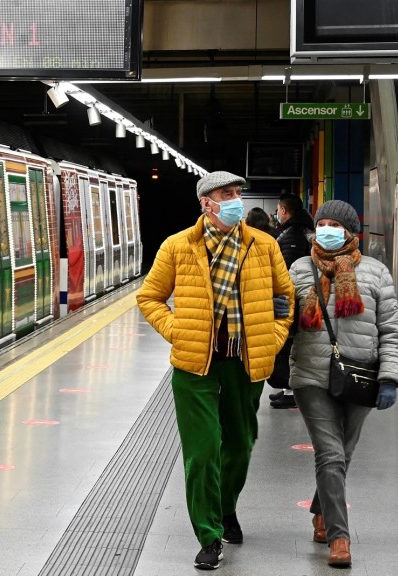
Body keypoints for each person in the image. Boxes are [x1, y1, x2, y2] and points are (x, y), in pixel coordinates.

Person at [137, 171, 294, 570]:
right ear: (206, 202)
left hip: (244, 363)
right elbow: (149, 296)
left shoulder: (262, 245)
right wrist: (178, 331)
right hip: (194, 368)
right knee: (203, 451)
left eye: (238, 193)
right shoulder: (178, 247)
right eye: (227, 194)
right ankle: (209, 535)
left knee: (239, 446)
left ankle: (226, 509)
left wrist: (272, 338)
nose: (236, 199)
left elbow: (285, 297)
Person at [288, 199, 398, 568]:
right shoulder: (300, 269)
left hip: (360, 378)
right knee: (331, 453)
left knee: (343, 454)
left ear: (351, 232)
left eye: (334, 225)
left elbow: (391, 330)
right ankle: (339, 538)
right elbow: (283, 319)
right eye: (321, 224)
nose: (326, 230)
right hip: (310, 375)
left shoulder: (375, 273)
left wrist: (390, 377)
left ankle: (322, 509)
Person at [268, 193, 316, 408]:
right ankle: (289, 389)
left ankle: (292, 391)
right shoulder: (298, 230)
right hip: (298, 300)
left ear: (284, 211)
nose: (277, 213)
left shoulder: (292, 235)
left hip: (293, 301)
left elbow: (287, 273)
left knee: (291, 347)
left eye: (278, 209)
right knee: (291, 346)